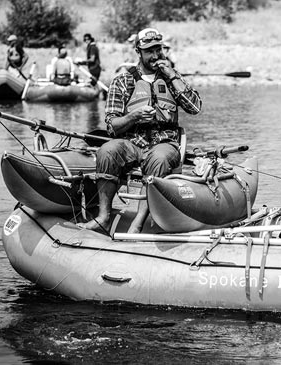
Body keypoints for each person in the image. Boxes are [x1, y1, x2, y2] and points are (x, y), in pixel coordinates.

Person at [79, 27, 202, 234]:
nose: (155, 56)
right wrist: (133, 116)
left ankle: (138, 222)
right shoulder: (123, 81)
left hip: (165, 144)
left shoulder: (173, 79)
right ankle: (103, 217)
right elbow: (111, 125)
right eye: (149, 51)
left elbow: (195, 108)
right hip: (131, 144)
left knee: (159, 159)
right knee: (107, 151)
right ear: (139, 51)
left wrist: (172, 75)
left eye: (158, 50)